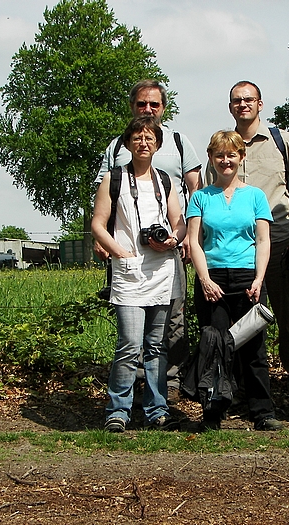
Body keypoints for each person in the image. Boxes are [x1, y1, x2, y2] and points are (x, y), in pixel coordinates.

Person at [206, 81, 289, 420]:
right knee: (237, 326)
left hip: (276, 244)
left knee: (286, 321)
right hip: (231, 253)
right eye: (237, 100)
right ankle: (237, 391)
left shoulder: (282, 141)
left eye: (248, 99)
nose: (243, 105)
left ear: (260, 104)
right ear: (230, 106)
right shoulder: (223, 146)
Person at [96, 80, 202, 392]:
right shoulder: (117, 146)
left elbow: (195, 191)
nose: (148, 110)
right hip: (125, 247)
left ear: (164, 108)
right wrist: (101, 241)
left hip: (171, 247)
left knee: (172, 320)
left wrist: (186, 238)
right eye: (142, 104)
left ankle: (167, 385)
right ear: (133, 107)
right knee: (131, 326)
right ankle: (136, 387)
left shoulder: (179, 142)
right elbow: (101, 200)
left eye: (154, 104)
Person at [91, 115, 186, 433]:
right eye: (137, 137)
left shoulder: (165, 181)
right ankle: (117, 409)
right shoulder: (113, 178)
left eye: (149, 138)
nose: (143, 142)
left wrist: (174, 239)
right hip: (129, 273)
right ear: (128, 143)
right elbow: (98, 224)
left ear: (157, 144)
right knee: (130, 344)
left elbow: (179, 220)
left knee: (157, 346)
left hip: (161, 270)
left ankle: (157, 408)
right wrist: (121, 253)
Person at [188, 130, 282, 431]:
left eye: (231, 155)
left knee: (254, 348)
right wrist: (204, 279)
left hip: (248, 279)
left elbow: (263, 241)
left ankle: (262, 412)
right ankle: (214, 411)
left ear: (241, 157)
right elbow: (194, 241)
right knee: (215, 346)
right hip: (213, 280)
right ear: (211, 159)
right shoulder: (200, 197)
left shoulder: (255, 196)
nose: (225, 161)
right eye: (219, 155)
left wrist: (259, 278)